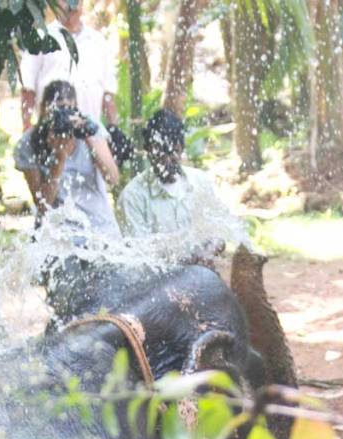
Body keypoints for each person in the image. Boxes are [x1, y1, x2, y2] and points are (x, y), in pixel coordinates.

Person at [117, 108, 237, 259]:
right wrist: (189, 259)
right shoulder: (132, 197)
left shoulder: (200, 181)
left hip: (201, 269)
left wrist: (209, 250)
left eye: (172, 152)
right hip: (161, 275)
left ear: (181, 148)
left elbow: (220, 235)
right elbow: (140, 257)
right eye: (159, 153)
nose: (166, 160)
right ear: (148, 151)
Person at [14, 79, 120, 240]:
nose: (62, 116)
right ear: (43, 110)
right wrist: (60, 157)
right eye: (57, 110)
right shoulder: (29, 143)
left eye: (68, 109)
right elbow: (43, 206)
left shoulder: (91, 128)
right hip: (58, 232)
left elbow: (113, 178)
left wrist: (87, 136)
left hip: (99, 228)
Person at [20, 1, 118, 131]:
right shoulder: (41, 38)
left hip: (91, 132)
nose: (71, 4)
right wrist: (27, 127)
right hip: (52, 133)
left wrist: (114, 128)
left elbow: (108, 94)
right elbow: (28, 89)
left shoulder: (98, 42)